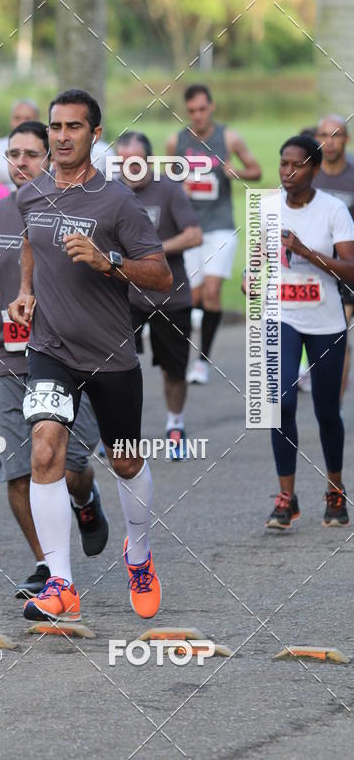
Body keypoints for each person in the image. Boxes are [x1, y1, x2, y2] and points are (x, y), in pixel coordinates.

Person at [9, 88, 172, 623]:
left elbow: (161, 276)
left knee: (125, 460)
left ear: (94, 134)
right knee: (45, 449)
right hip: (51, 349)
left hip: (111, 354)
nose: (61, 137)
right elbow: (32, 240)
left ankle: (140, 556)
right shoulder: (31, 194)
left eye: (73, 127)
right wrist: (27, 288)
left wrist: (109, 263)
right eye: (55, 127)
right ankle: (60, 584)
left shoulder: (117, 202)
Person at [0, 120, 109, 598]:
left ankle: (86, 501)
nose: (21, 162)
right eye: (14, 154)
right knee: (20, 470)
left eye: (31, 154)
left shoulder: (83, 211)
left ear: (52, 157)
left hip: (70, 359)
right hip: (8, 361)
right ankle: (47, 567)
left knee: (71, 466)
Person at [243, 135, 354, 529]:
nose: (287, 172)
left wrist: (306, 252)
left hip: (326, 320)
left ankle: (335, 489)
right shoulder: (267, 207)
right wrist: (249, 278)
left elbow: (351, 269)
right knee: (281, 402)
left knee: (327, 412)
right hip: (281, 316)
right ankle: (286, 496)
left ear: (315, 169)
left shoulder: (334, 210)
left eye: (297, 165)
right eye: (283, 163)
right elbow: (255, 261)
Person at [115, 132, 202, 459]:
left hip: (170, 296)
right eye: (122, 163)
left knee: (174, 371)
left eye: (134, 163)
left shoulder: (168, 190)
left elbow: (194, 234)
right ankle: (116, 432)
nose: (128, 170)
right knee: (115, 366)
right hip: (125, 298)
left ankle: (175, 424)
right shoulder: (113, 192)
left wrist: (151, 253)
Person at [167, 84, 261, 384]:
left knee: (211, 292)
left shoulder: (228, 137)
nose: (198, 115)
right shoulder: (176, 142)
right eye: (192, 111)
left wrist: (238, 172)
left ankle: (202, 362)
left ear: (212, 107)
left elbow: (256, 170)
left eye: (202, 109)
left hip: (220, 226)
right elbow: (166, 181)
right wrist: (177, 185)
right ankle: (185, 355)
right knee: (192, 296)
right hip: (190, 229)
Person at [314, 115, 354, 399]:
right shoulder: (308, 173)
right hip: (314, 264)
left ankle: (334, 407)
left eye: (336, 135)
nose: (329, 142)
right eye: (323, 135)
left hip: (347, 266)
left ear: (346, 140)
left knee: (339, 335)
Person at [0, 99, 41, 185]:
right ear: (10, 119)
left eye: (27, 118)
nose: (22, 123)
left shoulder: (48, 150)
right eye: (17, 118)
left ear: (38, 120)